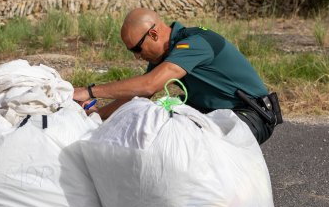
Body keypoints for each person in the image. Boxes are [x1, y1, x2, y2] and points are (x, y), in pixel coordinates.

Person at [73, 8, 282, 144]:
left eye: (137, 49)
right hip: (218, 115)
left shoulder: (194, 43)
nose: (137, 57)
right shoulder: (169, 53)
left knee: (186, 150)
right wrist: (97, 115)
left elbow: (149, 85)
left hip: (250, 114)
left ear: (153, 34)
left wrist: (88, 91)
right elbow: (138, 95)